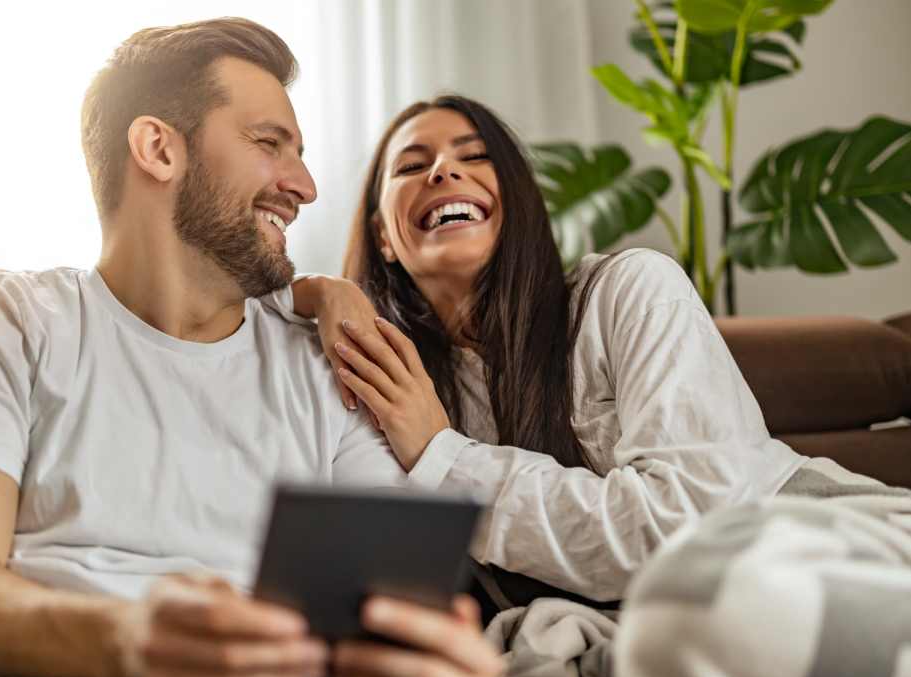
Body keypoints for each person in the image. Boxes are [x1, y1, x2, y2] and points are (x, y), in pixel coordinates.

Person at [0, 21, 551, 677]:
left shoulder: (322, 366)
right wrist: (127, 641)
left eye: (301, 155)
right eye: (268, 143)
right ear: (160, 148)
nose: (305, 186)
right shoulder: (2, 323)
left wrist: (430, 672)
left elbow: (388, 610)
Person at [266, 95, 806, 611]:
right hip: (664, 632)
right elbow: (210, 303)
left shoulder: (629, 290)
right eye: (411, 166)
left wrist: (442, 455)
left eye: (475, 156)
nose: (443, 172)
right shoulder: (395, 379)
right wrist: (321, 289)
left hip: (807, 553)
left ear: (517, 202)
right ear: (384, 236)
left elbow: (692, 537)